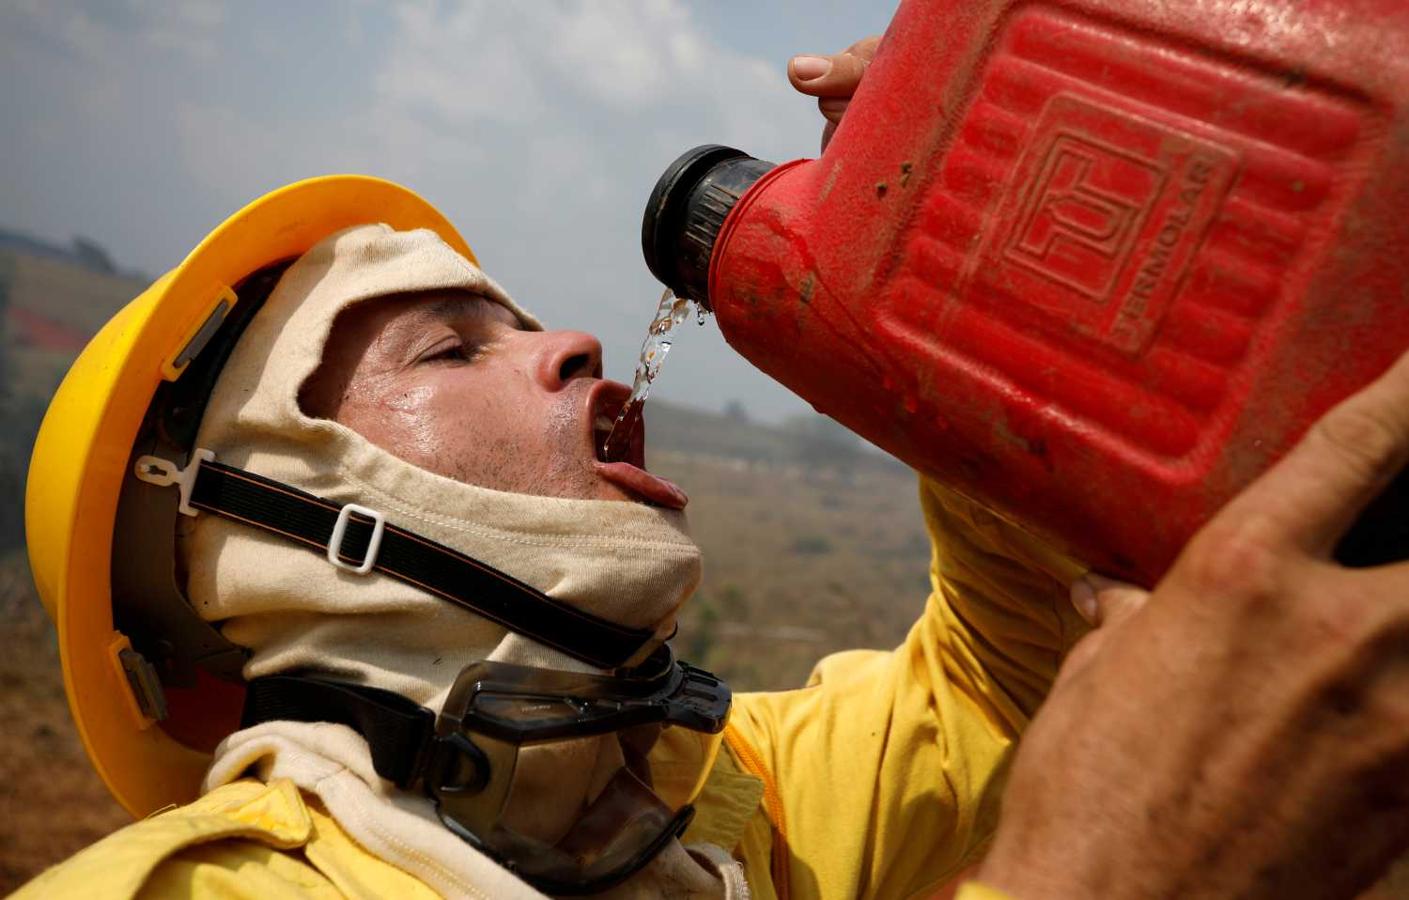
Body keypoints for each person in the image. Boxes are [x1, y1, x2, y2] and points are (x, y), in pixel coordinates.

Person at [18, 38, 1409, 900]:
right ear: (273, 528)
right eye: (449, 353)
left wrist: (980, 302)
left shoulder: (711, 808)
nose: (567, 340)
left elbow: (1002, 681)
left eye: (522, 317)